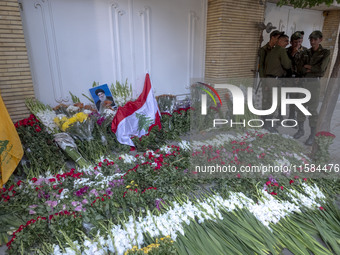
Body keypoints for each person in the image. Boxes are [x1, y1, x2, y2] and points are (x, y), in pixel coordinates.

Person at [293, 30, 330, 145]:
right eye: (311, 39)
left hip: (314, 84)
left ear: (320, 39)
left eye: (315, 39)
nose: (312, 42)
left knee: (312, 110)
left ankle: (312, 135)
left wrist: (310, 67)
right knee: (300, 107)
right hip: (303, 83)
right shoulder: (306, 52)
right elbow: (300, 68)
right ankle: (301, 130)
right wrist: (309, 68)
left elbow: (321, 70)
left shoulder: (325, 53)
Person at [262, 34, 291, 132]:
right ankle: (269, 125)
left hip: (268, 79)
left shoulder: (272, 50)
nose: (288, 43)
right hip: (275, 80)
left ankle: (265, 123)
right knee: (274, 103)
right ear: (280, 41)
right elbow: (287, 65)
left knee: (268, 102)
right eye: (286, 41)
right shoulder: (282, 51)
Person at [285, 31, 307, 125]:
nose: (298, 44)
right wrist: (292, 54)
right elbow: (285, 65)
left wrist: (301, 77)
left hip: (300, 79)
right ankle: (287, 116)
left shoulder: (306, 51)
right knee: (288, 98)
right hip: (288, 78)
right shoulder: (287, 51)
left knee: (298, 100)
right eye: (295, 42)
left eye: (299, 41)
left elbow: (307, 66)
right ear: (291, 42)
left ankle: (297, 120)